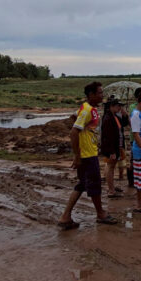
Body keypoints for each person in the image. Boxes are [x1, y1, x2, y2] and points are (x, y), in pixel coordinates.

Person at [58, 82, 118, 229]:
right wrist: (77, 155)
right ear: (91, 95)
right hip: (87, 155)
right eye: (99, 93)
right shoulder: (87, 110)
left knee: (82, 184)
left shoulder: (88, 109)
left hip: (88, 153)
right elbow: (74, 132)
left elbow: (74, 117)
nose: (102, 95)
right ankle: (101, 214)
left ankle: (65, 217)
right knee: (94, 185)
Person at [101, 97, 125, 198]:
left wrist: (125, 115)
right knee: (110, 167)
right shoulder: (108, 118)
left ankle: (111, 187)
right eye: (118, 106)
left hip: (117, 146)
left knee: (111, 166)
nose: (120, 108)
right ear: (111, 106)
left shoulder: (114, 116)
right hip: (112, 148)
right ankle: (111, 190)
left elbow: (122, 126)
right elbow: (107, 136)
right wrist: (111, 151)